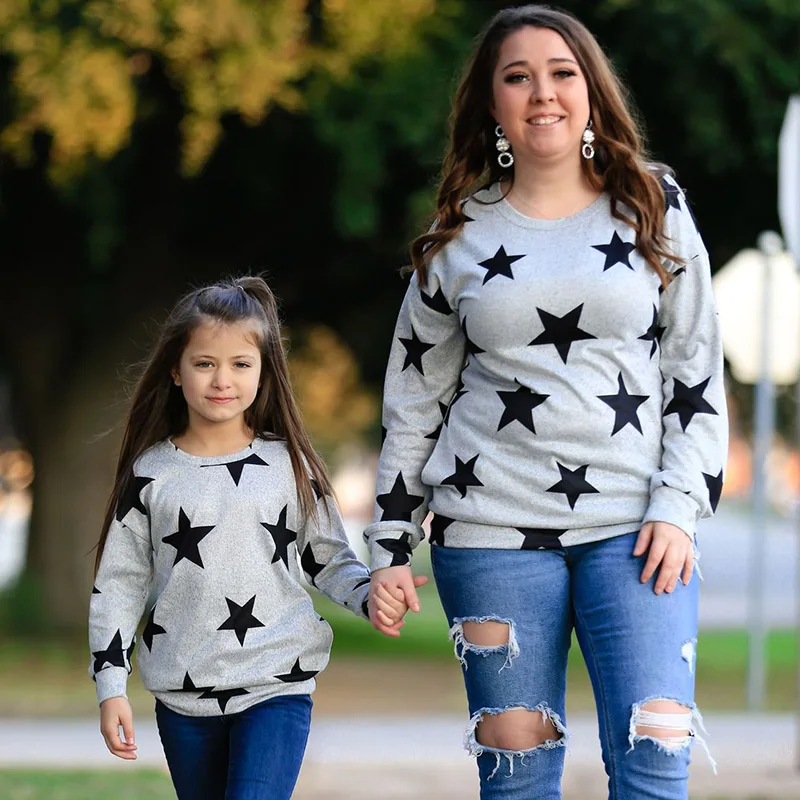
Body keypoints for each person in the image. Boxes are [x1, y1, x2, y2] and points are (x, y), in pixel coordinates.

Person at [364, 5, 728, 800]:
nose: (543, 93)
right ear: (490, 105)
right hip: (488, 533)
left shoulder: (653, 206)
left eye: (562, 73)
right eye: (517, 77)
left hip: (639, 533)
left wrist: (678, 504)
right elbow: (414, 401)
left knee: (657, 758)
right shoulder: (456, 236)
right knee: (518, 779)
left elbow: (695, 369)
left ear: (591, 92)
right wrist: (390, 546)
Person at [88, 275, 408, 800]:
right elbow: (118, 586)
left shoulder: (291, 464)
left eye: (241, 364)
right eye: (204, 363)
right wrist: (111, 688)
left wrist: (369, 596)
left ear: (264, 371)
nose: (222, 380)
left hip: (277, 683)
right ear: (176, 369)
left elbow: (328, 559)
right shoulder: (151, 474)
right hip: (182, 694)